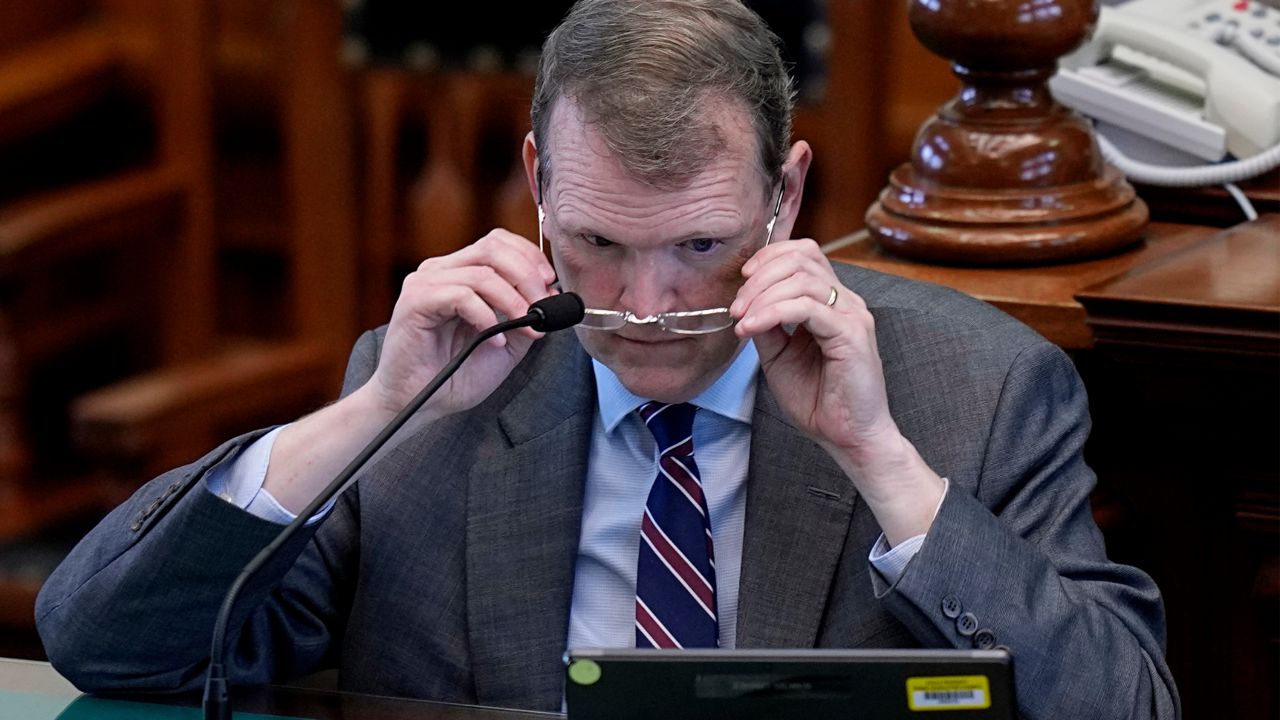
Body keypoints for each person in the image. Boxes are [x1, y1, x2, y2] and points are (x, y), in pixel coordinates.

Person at [36, 1, 1179, 717]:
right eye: (595, 243)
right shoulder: (439, 380)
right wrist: (374, 409)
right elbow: (106, 644)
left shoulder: (972, 387)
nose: (642, 306)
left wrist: (882, 464)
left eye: (697, 246)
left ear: (782, 196)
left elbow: (1124, 705)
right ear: (536, 183)